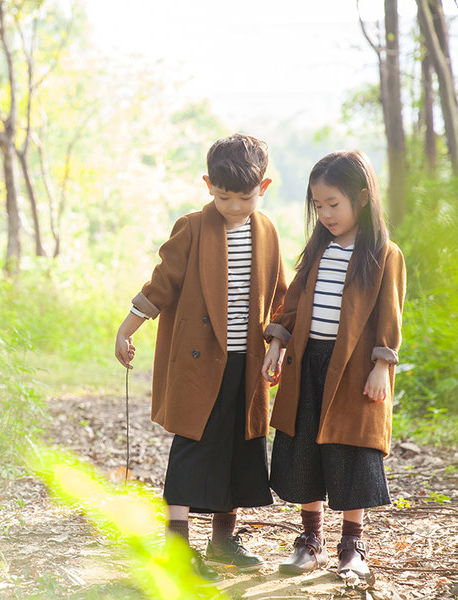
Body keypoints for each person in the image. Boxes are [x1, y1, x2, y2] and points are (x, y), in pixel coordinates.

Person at [115, 134, 288, 578]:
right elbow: (162, 284)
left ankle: (223, 540)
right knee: (193, 447)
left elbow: (280, 297)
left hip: (245, 363)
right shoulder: (192, 227)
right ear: (209, 184)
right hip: (197, 364)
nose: (233, 206)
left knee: (240, 445)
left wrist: (277, 344)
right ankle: (176, 546)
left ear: (263, 188)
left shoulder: (266, 231)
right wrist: (126, 329)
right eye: (224, 196)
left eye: (244, 198)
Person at [261, 150, 406, 580]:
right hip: (309, 363)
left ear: (361, 198)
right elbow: (293, 301)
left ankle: (353, 544)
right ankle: (310, 539)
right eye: (318, 206)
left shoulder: (383, 253)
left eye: (333, 204)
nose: (324, 214)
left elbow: (389, 314)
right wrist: (277, 341)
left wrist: (382, 364)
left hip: (354, 369)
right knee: (306, 446)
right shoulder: (319, 248)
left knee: (349, 450)